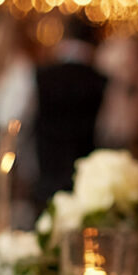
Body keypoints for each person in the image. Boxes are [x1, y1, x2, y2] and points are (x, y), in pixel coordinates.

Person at [33, 16, 108, 206]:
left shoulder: (42, 74)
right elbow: (107, 131)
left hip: (46, 178)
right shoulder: (100, 79)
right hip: (84, 182)